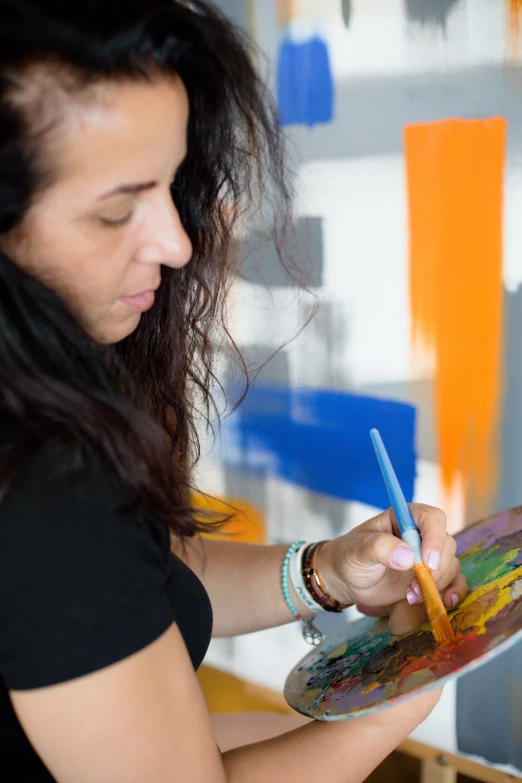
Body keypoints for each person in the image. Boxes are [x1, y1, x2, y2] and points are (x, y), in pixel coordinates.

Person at [0, 1, 467, 781]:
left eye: (172, 183)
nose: (178, 243)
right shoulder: (43, 492)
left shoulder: (53, 436)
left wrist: (325, 570)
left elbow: (140, 576)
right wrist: (404, 683)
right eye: (117, 209)